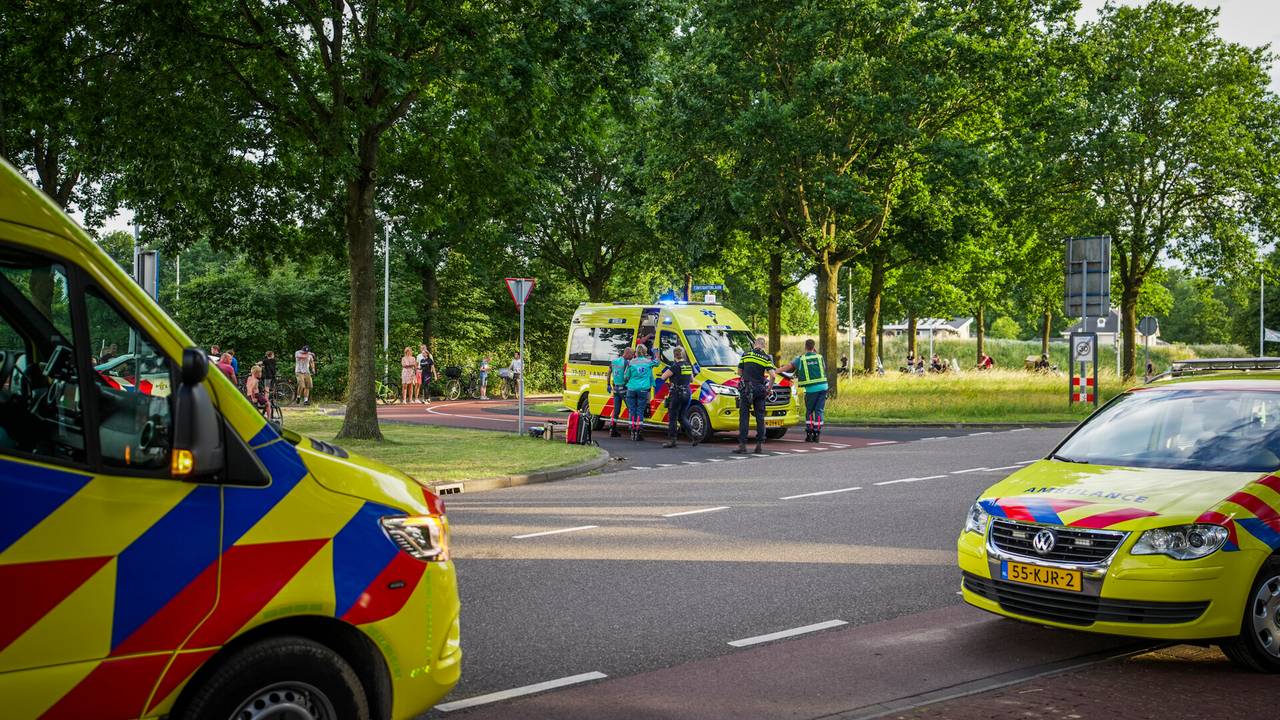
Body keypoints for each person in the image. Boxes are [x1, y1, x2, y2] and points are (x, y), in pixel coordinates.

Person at [779, 339, 828, 443]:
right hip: (823, 387)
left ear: (805, 347)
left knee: (809, 411)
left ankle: (809, 434)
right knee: (819, 410)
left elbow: (788, 367)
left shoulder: (801, 359)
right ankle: (817, 433)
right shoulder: (820, 357)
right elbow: (823, 369)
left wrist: (775, 371)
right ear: (814, 347)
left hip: (811, 389)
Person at [736, 336, 776, 454]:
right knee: (760, 417)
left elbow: (739, 372)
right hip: (760, 389)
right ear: (764, 346)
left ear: (754, 344)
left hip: (747, 389)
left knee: (744, 417)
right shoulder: (766, 358)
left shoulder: (746, 354)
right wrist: (769, 388)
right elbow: (773, 375)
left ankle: (742, 445)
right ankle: (759, 445)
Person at [660, 347, 696, 448]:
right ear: (682, 354)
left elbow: (663, 377)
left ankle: (672, 441)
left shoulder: (675, 366)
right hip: (687, 393)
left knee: (673, 417)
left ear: (674, 355)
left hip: (677, 393)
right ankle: (693, 434)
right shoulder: (688, 365)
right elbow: (692, 380)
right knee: (682, 416)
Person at [622, 344, 656, 441]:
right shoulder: (649, 362)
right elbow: (657, 363)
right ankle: (638, 431)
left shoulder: (631, 362)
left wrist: (627, 382)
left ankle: (632, 430)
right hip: (643, 389)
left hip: (631, 388)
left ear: (636, 352)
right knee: (640, 410)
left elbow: (626, 376)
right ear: (645, 352)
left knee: (632, 409)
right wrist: (656, 352)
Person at [606, 347, 634, 437]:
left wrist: (608, 384)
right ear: (627, 353)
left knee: (616, 410)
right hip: (624, 389)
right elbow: (627, 376)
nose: (632, 356)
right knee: (631, 408)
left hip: (615, 389)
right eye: (631, 354)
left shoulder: (614, 362)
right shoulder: (626, 363)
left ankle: (612, 429)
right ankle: (633, 430)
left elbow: (609, 372)